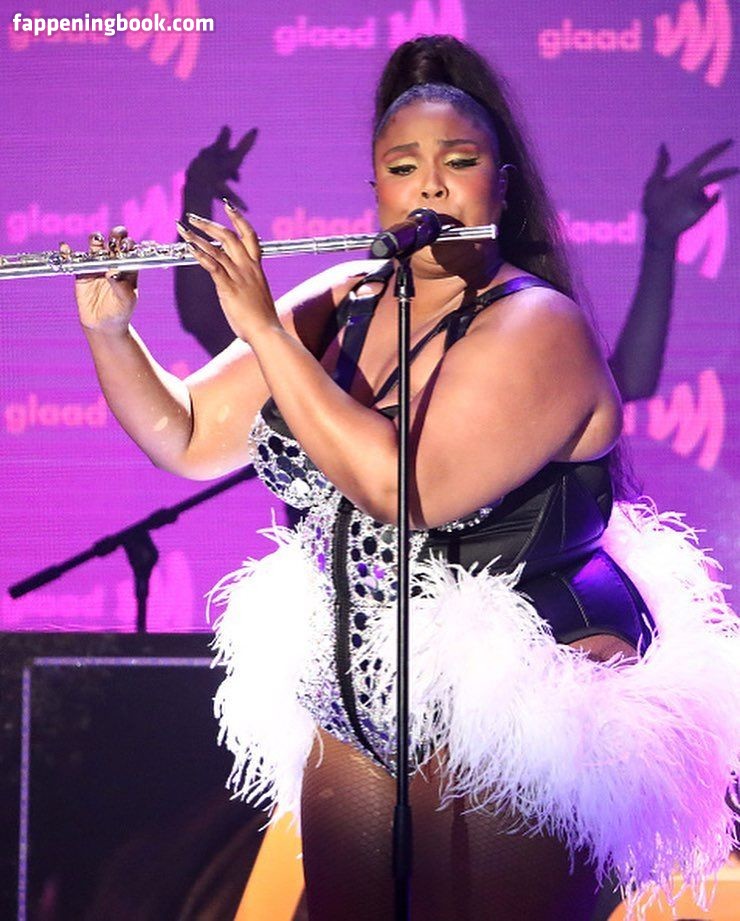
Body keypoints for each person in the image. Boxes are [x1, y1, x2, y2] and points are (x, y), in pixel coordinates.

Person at [71, 35, 738, 921]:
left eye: (459, 163)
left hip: (524, 688)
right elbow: (186, 434)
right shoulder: (344, 297)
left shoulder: (539, 325)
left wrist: (263, 329)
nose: (431, 187)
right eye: (402, 167)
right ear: (376, 189)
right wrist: (112, 332)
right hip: (362, 673)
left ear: (501, 185)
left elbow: (406, 492)